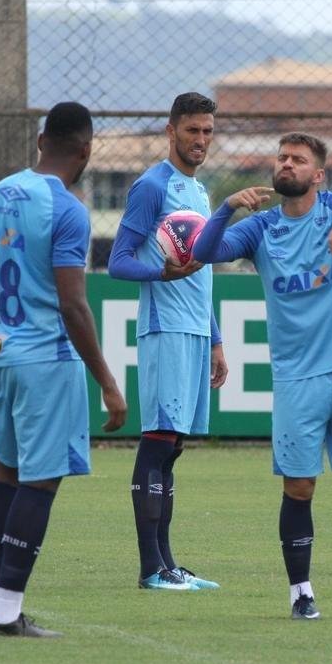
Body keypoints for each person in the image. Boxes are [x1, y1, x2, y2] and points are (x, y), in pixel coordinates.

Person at [193, 132, 332, 620]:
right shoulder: (259, 229)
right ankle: (301, 594)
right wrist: (226, 208)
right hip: (297, 380)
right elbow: (206, 252)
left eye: (298, 160)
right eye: (282, 158)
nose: (286, 164)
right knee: (299, 488)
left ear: (318, 175)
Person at [0, 102, 127, 638]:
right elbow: (73, 305)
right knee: (40, 482)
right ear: (87, 149)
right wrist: (108, 383)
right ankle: (6, 613)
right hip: (45, 359)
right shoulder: (68, 210)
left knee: (5, 473)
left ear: (42, 139)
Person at [107, 92, 227, 591]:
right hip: (165, 329)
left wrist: (217, 339)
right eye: (192, 131)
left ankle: (168, 564)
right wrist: (163, 272)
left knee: (172, 446)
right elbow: (118, 261)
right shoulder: (152, 186)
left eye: (207, 132)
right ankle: (149, 568)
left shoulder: (198, 192)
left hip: (196, 332)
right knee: (157, 442)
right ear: (170, 131)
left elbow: (201, 277)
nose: (200, 140)